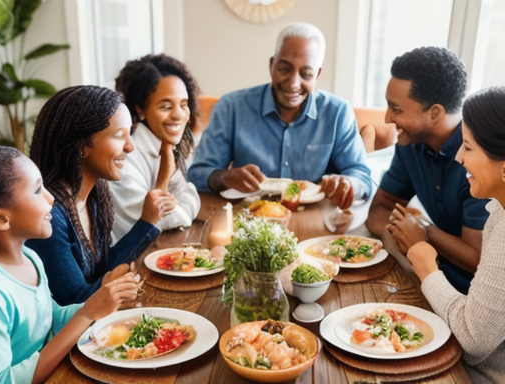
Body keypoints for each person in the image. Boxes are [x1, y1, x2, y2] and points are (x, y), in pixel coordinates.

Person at [0, 146, 139, 384]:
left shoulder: (29, 257)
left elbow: (50, 318)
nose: (51, 198)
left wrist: (99, 303)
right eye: (38, 190)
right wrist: (86, 315)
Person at [187, 22, 373, 210]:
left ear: (317, 75)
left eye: (306, 74)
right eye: (284, 69)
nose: (293, 83)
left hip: (314, 220)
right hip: (251, 220)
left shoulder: (337, 112)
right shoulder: (231, 107)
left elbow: (361, 175)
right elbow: (197, 173)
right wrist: (224, 177)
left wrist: (349, 185)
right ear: (271, 65)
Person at [26, 86, 174, 305]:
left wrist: (148, 221)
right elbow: (76, 302)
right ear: (82, 145)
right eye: (118, 136)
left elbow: (101, 272)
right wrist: (116, 281)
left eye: (129, 134)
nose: (130, 146)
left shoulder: (95, 197)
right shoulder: (50, 215)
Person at [366, 46, 489, 294]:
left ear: (434, 113)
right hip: (428, 276)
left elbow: (479, 261)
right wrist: (404, 244)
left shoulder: (482, 156)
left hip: (475, 296)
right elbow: (379, 209)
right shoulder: (410, 144)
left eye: (396, 109)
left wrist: (423, 232)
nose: (388, 118)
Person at [407, 86, 505, 384]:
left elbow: (474, 342)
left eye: (469, 147)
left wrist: (427, 268)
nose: (459, 158)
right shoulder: (498, 210)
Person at [110, 53, 201, 242]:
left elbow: (188, 195)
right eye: (166, 107)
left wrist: (183, 200)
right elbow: (170, 219)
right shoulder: (125, 158)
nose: (178, 115)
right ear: (141, 110)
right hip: (127, 262)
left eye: (183, 105)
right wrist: (182, 202)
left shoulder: (170, 146)